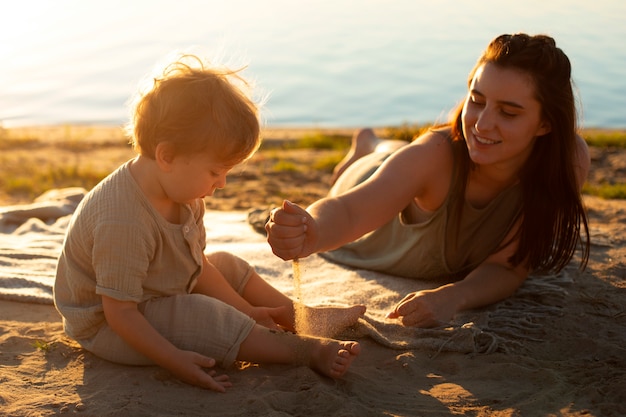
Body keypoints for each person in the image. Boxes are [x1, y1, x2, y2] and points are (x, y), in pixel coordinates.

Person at [54, 54, 364, 393]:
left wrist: (248, 311)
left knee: (227, 266)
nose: (222, 184)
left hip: (153, 290)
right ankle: (306, 351)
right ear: (167, 156)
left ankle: (300, 317)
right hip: (112, 326)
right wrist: (175, 360)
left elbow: (197, 267)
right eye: (215, 172)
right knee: (200, 313)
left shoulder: (184, 194)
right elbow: (121, 313)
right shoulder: (123, 219)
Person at [266, 33, 591, 329]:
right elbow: (350, 211)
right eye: (477, 101)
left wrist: (454, 295)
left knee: (405, 155)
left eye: (508, 112)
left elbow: (509, 267)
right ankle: (369, 147)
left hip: (409, 167)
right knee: (404, 158)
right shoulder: (435, 155)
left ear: (546, 123)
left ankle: (375, 144)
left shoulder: (566, 161)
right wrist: (313, 230)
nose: (482, 124)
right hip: (370, 191)